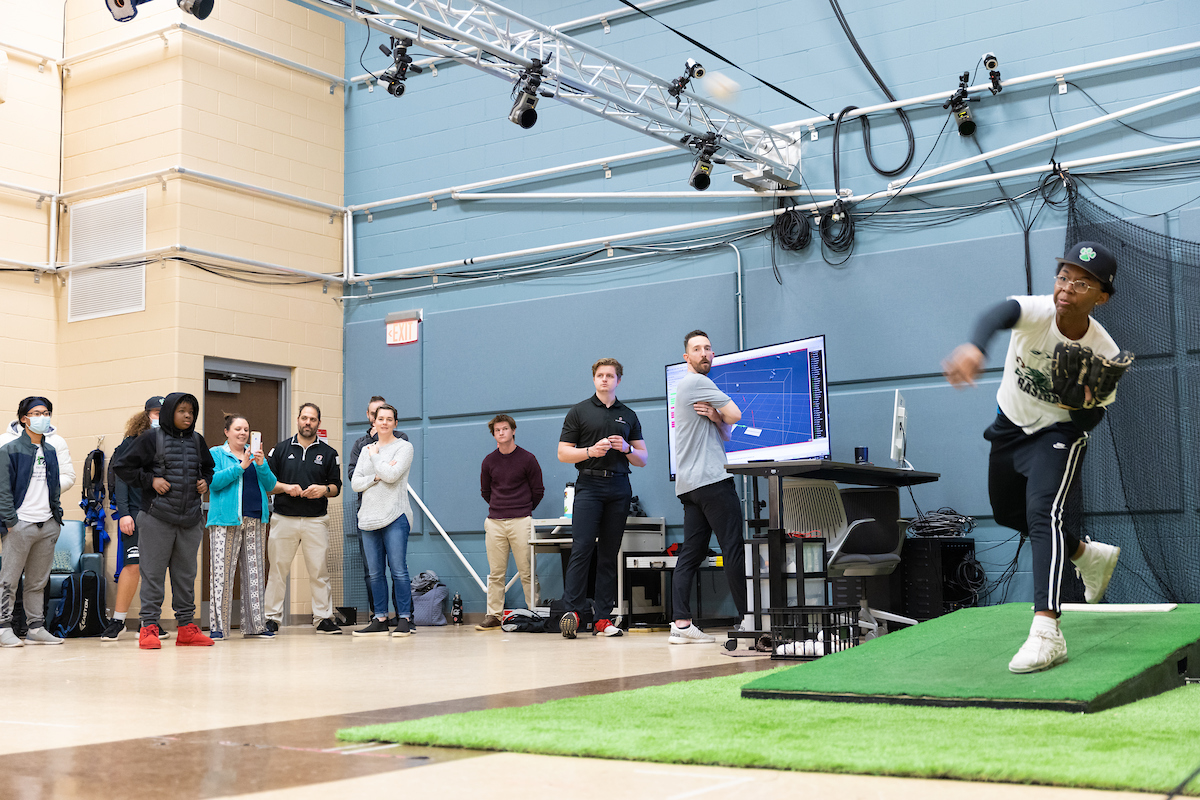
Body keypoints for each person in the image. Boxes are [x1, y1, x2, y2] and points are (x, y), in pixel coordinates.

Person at [943, 241, 1124, 674]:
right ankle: (1085, 555)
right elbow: (999, 313)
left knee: (1043, 514)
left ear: (1101, 297)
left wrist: (1079, 404)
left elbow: (1094, 416)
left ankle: (1047, 629)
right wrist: (975, 346)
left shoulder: (1105, 352)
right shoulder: (1038, 311)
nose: (1066, 288)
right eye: (1063, 277)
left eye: (1081, 284)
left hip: (1058, 434)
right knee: (1008, 513)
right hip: (1009, 425)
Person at [112, 392, 216, 649]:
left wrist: (206, 481)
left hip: (190, 519)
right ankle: (149, 628)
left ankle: (186, 628)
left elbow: (208, 468)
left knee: (185, 576)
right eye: (182, 411)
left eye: (191, 411)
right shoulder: (150, 438)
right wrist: (150, 481)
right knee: (153, 574)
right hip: (156, 517)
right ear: (170, 412)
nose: (188, 415)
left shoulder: (197, 440)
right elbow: (122, 467)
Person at [556, 358, 647, 639]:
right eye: (600, 375)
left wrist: (627, 447)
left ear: (619, 380)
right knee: (582, 549)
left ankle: (603, 620)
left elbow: (642, 459)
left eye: (610, 375)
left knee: (609, 554)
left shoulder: (629, 415)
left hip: (619, 487)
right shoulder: (579, 411)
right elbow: (562, 453)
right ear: (594, 379)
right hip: (589, 486)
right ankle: (571, 613)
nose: (605, 379)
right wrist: (589, 452)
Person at [668, 331, 748, 645]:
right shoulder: (697, 383)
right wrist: (722, 414)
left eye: (708, 348)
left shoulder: (685, 387)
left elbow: (725, 432)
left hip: (690, 486)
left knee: (692, 553)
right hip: (713, 481)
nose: (705, 353)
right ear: (686, 357)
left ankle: (682, 624)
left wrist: (716, 416)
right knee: (733, 549)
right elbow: (737, 415)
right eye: (697, 349)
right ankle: (748, 619)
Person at [264, 403, 343, 635]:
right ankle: (271, 618)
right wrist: (286, 488)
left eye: (313, 419)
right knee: (277, 570)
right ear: (297, 420)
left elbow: (336, 487)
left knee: (319, 571)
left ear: (319, 423)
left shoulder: (329, 453)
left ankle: (323, 618)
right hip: (283, 518)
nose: (307, 422)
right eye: (304, 418)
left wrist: (323, 490)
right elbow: (268, 484)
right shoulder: (280, 449)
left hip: (316, 520)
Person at [0, 396, 75, 639]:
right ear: (24, 419)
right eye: (36, 413)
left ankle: (35, 627)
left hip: (48, 525)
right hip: (20, 525)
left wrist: (56, 518)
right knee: (8, 581)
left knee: (38, 581)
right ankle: (3, 627)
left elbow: (55, 485)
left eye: (46, 413)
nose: (42, 417)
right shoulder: (9, 450)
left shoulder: (51, 449)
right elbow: (3, 490)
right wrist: (11, 521)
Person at [101, 396, 171, 641]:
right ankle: (118, 621)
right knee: (132, 566)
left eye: (163, 413)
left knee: (154, 570)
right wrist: (123, 513)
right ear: (146, 415)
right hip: (135, 513)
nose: (158, 417)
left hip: (162, 515)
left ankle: (148, 621)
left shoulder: (173, 444)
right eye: (155, 413)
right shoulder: (130, 444)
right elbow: (120, 480)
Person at [206, 414, 277, 640]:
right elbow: (213, 483)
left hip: (255, 518)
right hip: (225, 520)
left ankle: (255, 627)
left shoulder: (256, 454)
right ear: (227, 432)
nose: (243, 433)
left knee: (254, 575)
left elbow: (271, 484)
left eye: (246, 429)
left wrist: (260, 463)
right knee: (222, 575)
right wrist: (241, 467)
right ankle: (219, 627)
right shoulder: (216, 454)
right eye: (237, 429)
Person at [350, 404, 415, 637]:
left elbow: (391, 475)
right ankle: (380, 617)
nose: (385, 423)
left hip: (395, 516)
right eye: (381, 419)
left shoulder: (404, 447)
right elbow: (355, 483)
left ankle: (405, 618)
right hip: (368, 518)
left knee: (398, 570)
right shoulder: (366, 448)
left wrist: (376, 461)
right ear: (373, 422)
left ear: (395, 424)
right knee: (375, 573)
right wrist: (375, 476)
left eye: (390, 419)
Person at [477, 414, 544, 631]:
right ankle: (494, 615)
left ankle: (534, 611)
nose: (501, 433)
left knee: (527, 570)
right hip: (495, 521)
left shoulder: (527, 459)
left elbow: (538, 490)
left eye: (505, 429)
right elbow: (485, 491)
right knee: (496, 572)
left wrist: (523, 509)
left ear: (513, 431)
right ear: (494, 434)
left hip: (521, 520)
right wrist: (502, 508)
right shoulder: (489, 461)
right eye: (497, 430)